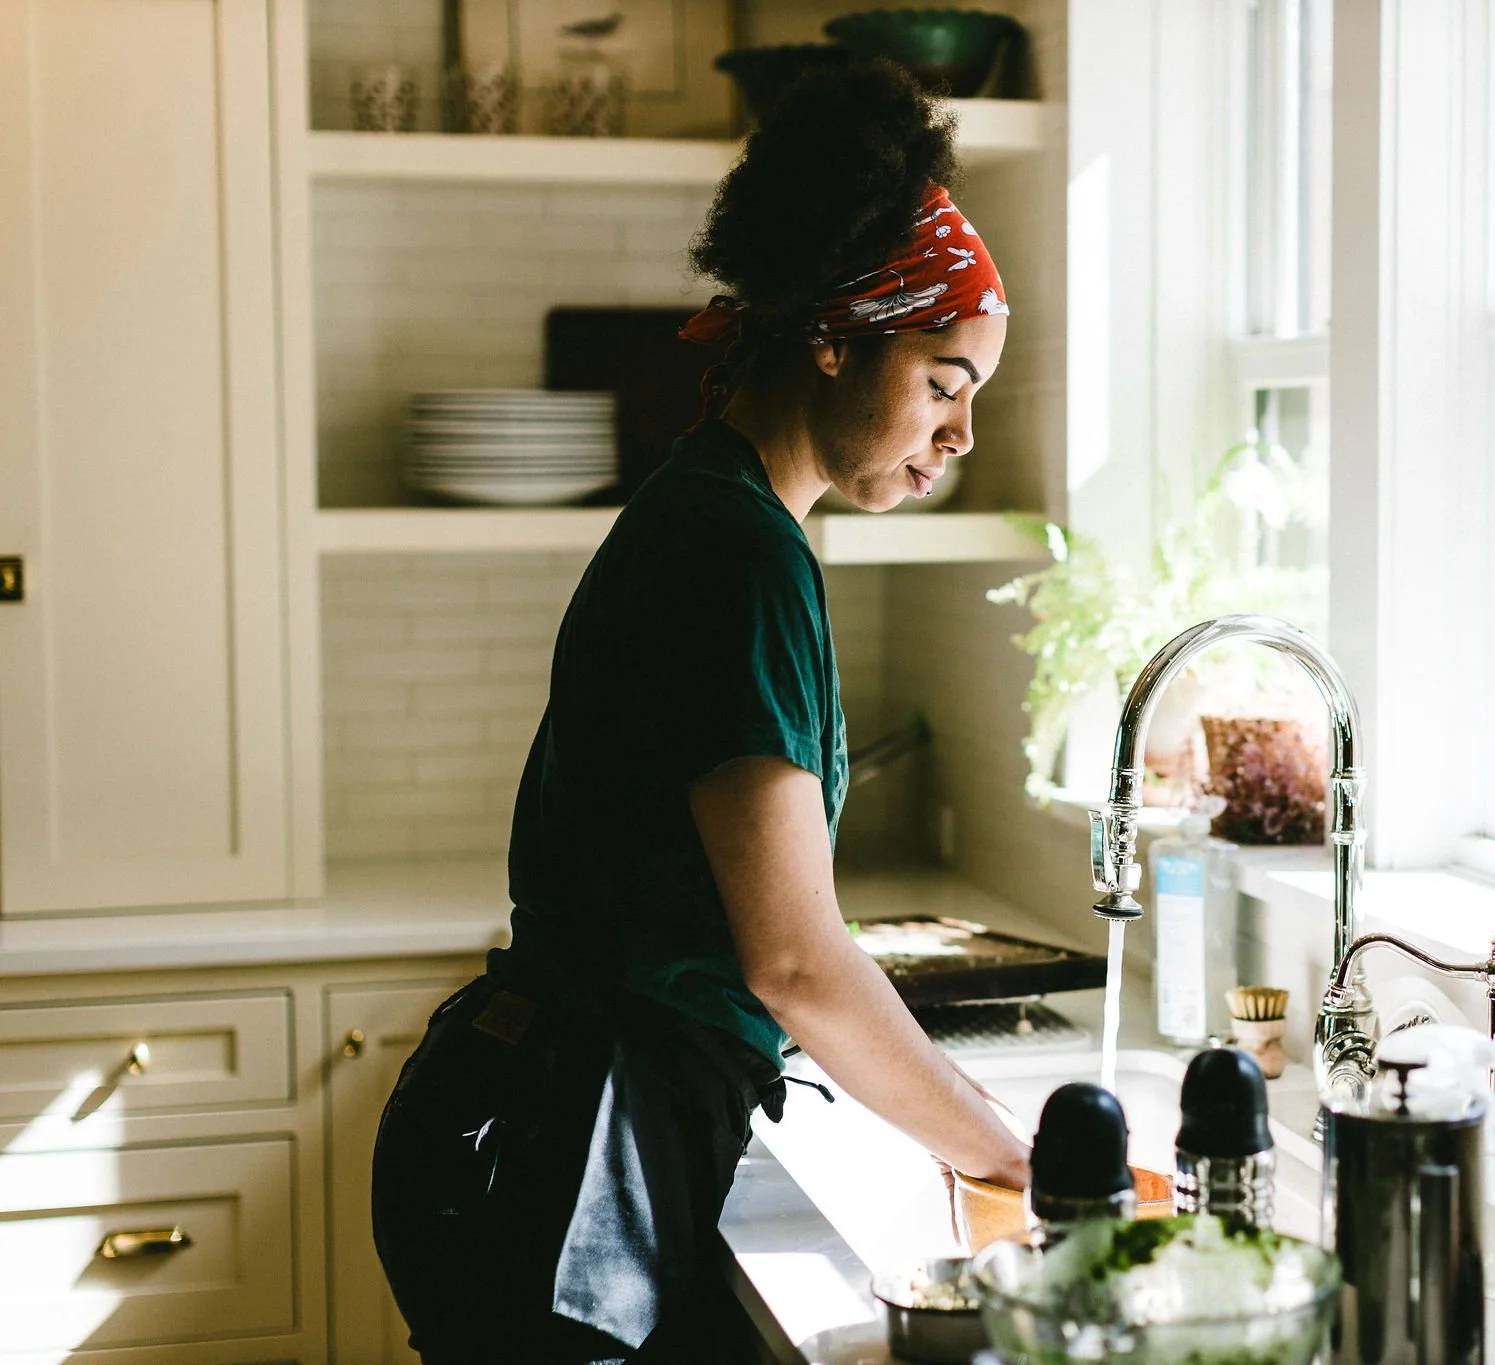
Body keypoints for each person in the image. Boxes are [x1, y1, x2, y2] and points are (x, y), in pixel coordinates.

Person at [369, 62, 1029, 1364]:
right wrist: (1016, 1152)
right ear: (837, 336)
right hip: (571, 1153)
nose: (960, 437)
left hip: (549, 1118)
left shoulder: (724, 512)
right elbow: (795, 963)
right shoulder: (735, 550)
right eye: (946, 382)